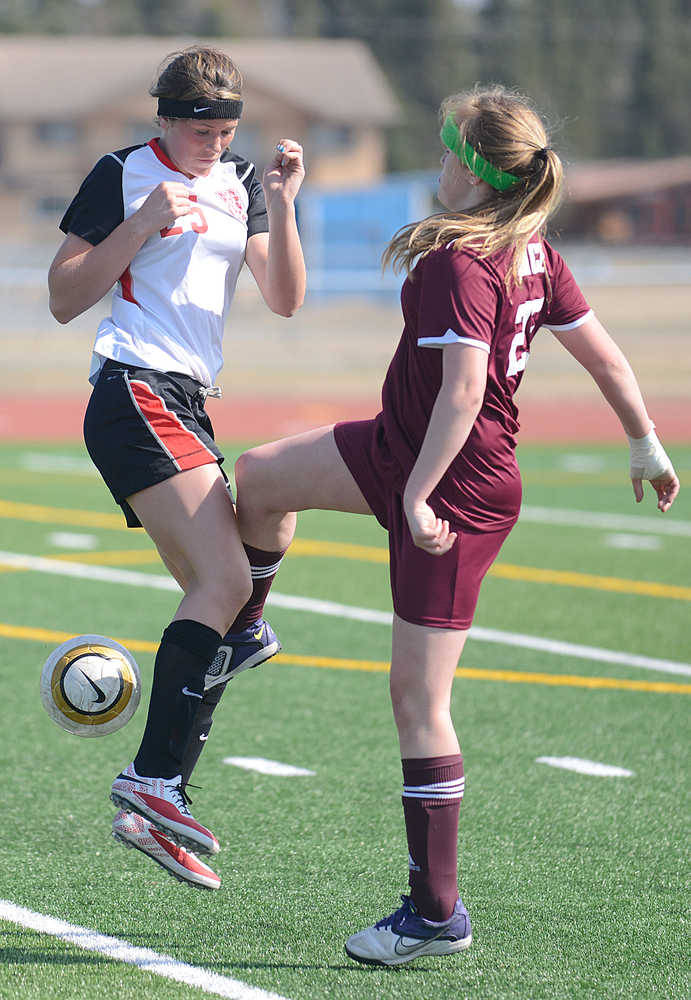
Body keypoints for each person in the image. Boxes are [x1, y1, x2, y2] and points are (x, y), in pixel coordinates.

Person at [228, 85, 680, 962]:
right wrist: (645, 445)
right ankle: (241, 630)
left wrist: (418, 494)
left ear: (476, 176)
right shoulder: (531, 253)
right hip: (407, 449)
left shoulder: (461, 264)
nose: (436, 165)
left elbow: (465, 393)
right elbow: (606, 358)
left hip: (455, 483)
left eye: (446, 153)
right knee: (260, 475)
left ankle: (435, 914)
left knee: (417, 701)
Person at [48, 45, 306, 892]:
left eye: (226, 129)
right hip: (132, 390)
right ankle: (151, 780)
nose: (212, 142)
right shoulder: (122, 174)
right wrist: (140, 224)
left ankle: (155, 802)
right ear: (163, 116)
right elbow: (63, 297)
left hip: (189, 399)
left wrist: (281, 202)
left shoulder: (239, 181)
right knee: (228, 587)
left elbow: (285, 298)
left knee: (226, 608)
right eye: (200, 128)